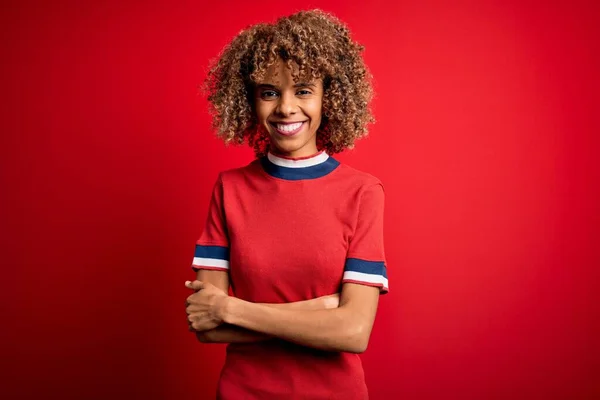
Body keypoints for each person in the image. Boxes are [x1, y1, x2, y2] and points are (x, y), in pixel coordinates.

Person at [184, 9, 388, 400]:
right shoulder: (230, 189)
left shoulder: (363, 192)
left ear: (330, 97)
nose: (286, 108)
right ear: (250, 101)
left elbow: (353, 332)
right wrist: (320, 310)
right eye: (269, 92)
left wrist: (230, 310)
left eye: (303, 90)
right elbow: (206, 326)